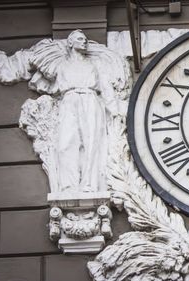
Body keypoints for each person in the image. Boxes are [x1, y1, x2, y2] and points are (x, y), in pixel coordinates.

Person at [55, 30, 120, 192]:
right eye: (80, 39)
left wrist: (114, 109)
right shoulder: (62, 66)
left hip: (90, 99)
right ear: (70, 43)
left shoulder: (94, 65)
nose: (84, 42)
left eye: (85, 40)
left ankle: (90, 184)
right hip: (69, 100)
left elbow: (105, 87)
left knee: (91, 143)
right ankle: (69, 185)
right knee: (66, 143)